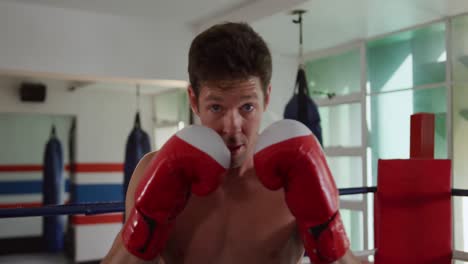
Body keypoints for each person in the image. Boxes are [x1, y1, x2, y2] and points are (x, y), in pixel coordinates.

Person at [102, 22, 364, 264]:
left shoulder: (297, 173)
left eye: (247, 106)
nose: (232, 127)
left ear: (267, 97)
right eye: (216, 107)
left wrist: (328, 230)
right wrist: (145, 221)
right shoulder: (152, 169)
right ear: (193, 101)